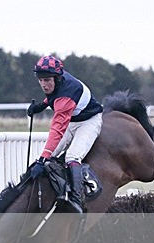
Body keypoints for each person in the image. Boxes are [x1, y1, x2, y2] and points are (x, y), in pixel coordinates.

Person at [26, 55, 104, 213]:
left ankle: (76, 199)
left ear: (56, 78)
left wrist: (42, 159)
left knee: (71, 157)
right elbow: (53, 95)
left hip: (89, 121)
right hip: (73, 119)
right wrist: (42, 105)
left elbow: (57, 130)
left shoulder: (66, 96)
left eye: (47, 80)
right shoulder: (58, 80)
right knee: (49, 156)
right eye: (40, 80)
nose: (43, 84)